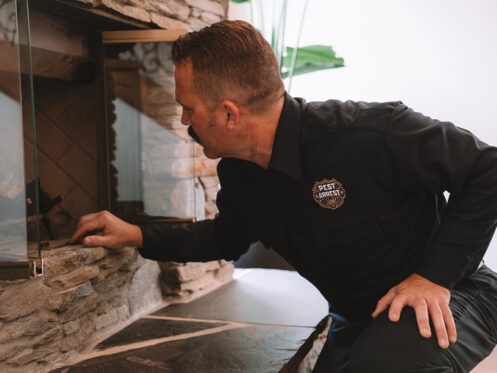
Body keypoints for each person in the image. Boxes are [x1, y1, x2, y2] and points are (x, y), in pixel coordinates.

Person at [70, 20, 497, 372]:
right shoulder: (238, 174)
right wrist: (136, 234)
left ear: (228, 113)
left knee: (386, 363)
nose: (184, 120)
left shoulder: (371, 132)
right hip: (363, 318)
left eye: (188, 108)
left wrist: (433, 278)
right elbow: (226, 239)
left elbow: (488, 168)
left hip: (456, 293)